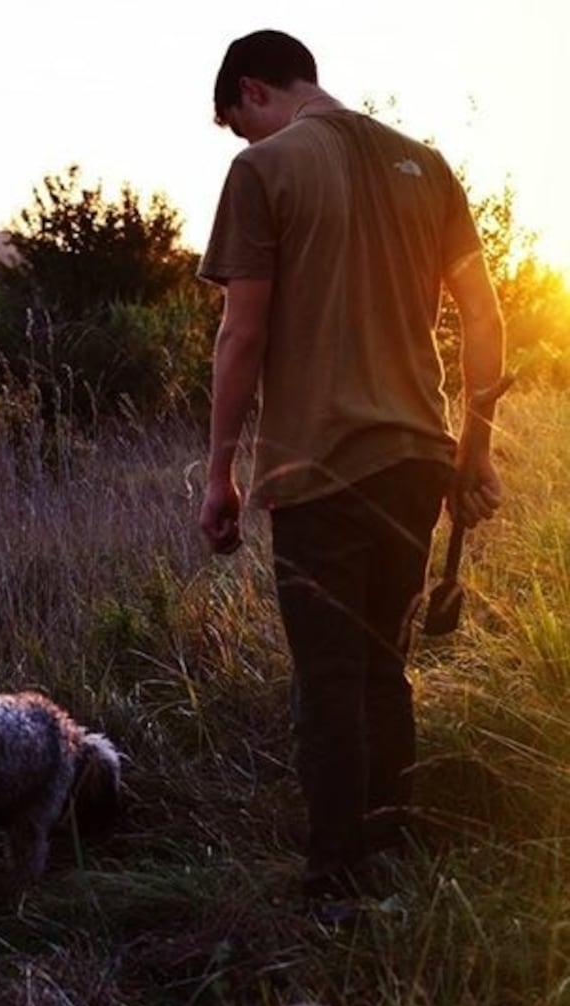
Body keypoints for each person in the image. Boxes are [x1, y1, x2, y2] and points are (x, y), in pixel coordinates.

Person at [197, 29, 506, 902]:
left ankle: (337, 879)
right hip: (417, 458)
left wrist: (220, 470)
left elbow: (242, 332)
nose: (245, 145)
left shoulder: (265, 171)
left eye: (238, 126)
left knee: (329, 677)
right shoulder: (429, 165)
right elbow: (484, 320)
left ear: (253, 91)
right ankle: (391, 848)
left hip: (319, 466)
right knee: (383, 664)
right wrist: (472, 447)